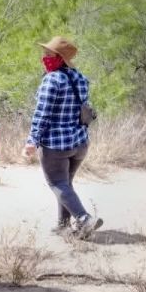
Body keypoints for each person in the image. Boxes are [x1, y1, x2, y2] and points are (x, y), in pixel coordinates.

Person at [23, 37, 103, 239]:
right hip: (80, 142)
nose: (45, 58)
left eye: (49, 55)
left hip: (56, 145)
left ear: (60, 58)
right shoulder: (80, 78)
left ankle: (85, 219)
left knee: (58, 184)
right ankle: (63, 225)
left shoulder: (52, 80)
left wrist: (32, 141)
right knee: (65, 183)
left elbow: (42, 113)